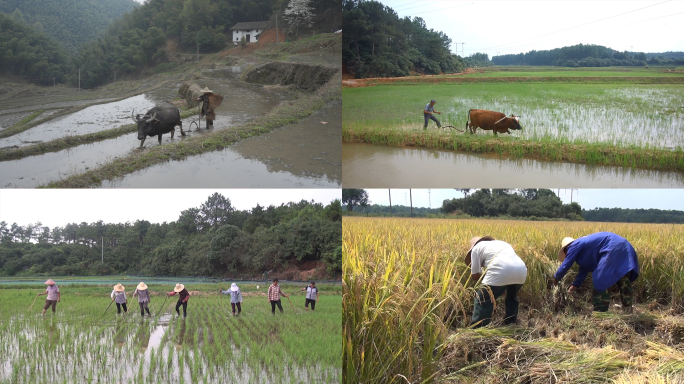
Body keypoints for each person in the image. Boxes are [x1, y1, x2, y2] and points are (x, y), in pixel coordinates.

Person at [554, 232, 639, 313]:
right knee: (622, 278)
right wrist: (574, 286)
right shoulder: (584, 248)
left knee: (600, 279)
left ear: (566, 250)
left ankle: (600, 312)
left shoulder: (573, 245)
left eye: (566, 254)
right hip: (625, 246)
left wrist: (556, 278)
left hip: (612, 247)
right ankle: (627, 309)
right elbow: (583, 270)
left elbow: (565, 265)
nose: (566, 255)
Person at [466, 236, 527, 328]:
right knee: (512, 297)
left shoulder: (476, 249)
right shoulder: (502, 243)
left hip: (501, 270)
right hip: (521, 270)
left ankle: (478, 329)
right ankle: (511, 324)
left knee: (483, 299)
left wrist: (484, 280)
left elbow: (475, 276)